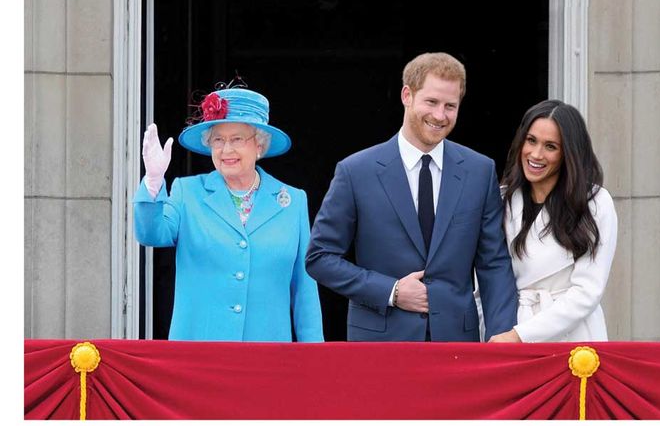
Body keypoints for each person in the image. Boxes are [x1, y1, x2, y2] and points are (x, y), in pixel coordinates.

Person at [306, 52, 518, 341]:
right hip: (380, 346)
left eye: (450, 106)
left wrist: (502, 335)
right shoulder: (356, 171)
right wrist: (391, 292)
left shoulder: (479, 171)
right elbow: (320, 257)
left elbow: (493, 263)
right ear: (407, 95)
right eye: (431, 102)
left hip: (456, 343)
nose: (440, 115)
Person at [133, 84, 323, 342]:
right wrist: (153, 183)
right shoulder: (187, 192)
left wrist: (313, 357)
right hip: (199, 355)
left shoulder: (292, 202)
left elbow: (304, 291)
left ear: (259, 146)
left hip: (267, 358)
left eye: (237, 139)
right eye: (218, 140)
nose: (226, 150)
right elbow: (151, 234)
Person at [489, 100, 618, 343]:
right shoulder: (501, 199)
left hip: (572, 338)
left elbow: (587, 292)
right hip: (508, 329)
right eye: (531, 141)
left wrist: (521, 335)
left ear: (568, 153)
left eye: (550, 146)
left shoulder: (595, 202)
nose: (536, 154)